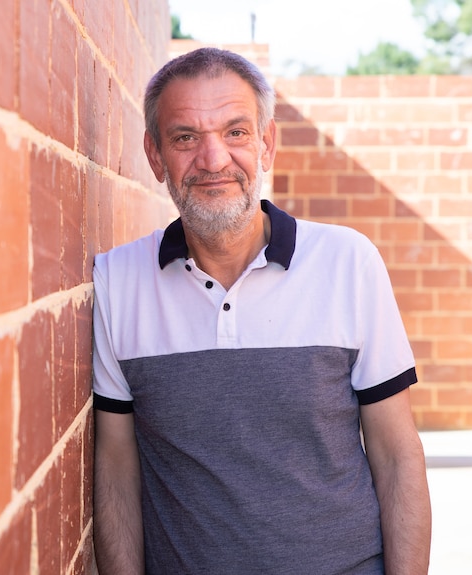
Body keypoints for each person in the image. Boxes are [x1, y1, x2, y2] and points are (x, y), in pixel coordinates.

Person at [92, 47, 431, 575]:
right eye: (185, 137)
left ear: (266, 143)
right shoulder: (117, 282)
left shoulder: (347, 262)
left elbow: (396, 454)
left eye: (235, 132)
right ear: (155, 155)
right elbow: (115, 467)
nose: (212, 159)